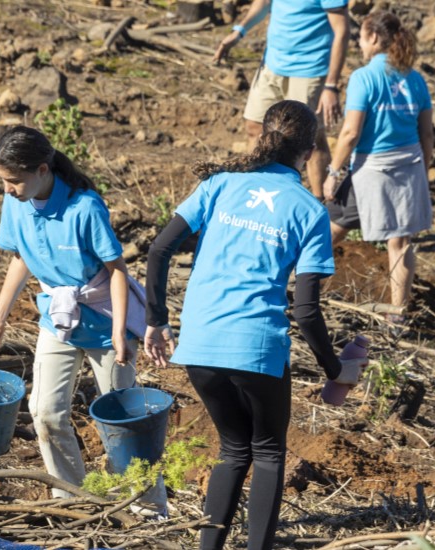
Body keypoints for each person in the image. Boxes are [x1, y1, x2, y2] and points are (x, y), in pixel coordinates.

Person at [144, 101, 368, 550]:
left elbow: (158, 251)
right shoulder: (308, 211)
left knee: (232, 450)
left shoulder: (220, 184)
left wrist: (156, 322)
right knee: (267, 453)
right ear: (309, 153)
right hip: (257, 349)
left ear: (263, 135)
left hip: (201, 345)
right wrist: (335, 370)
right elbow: (305, 311)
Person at [0, 125, 167, 516]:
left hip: (102, 318)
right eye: (3, 181)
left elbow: (116, 270)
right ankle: (74, 501)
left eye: (14, 180)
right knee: (44, 413)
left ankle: (145, 509)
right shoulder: (16, 202)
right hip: (59, 318)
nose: (8, 189)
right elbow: (21, 258)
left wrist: (118, 334)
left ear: (43, 170)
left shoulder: (85, 207)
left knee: (123, 422)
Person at [323, 11, 434, 326]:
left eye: (360, 36)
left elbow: (350, 133)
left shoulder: (363, 77)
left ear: (373, 37)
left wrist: (333, 172)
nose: (358, 43)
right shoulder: (415, 78)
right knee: (399, 242)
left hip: (372, 171)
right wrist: (421, 174)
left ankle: (296, 284)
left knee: (330, 229)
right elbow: (427, 134)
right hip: (409, 166)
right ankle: (397, 315)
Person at [213, 0, 351, 199]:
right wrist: (239, 32)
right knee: (254, 127)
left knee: (312, 137)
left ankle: (319, 202)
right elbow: (263, 3)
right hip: (272, 65)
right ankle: (253, 191)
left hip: (309, 70)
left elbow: (342, 31)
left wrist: (330, 85)